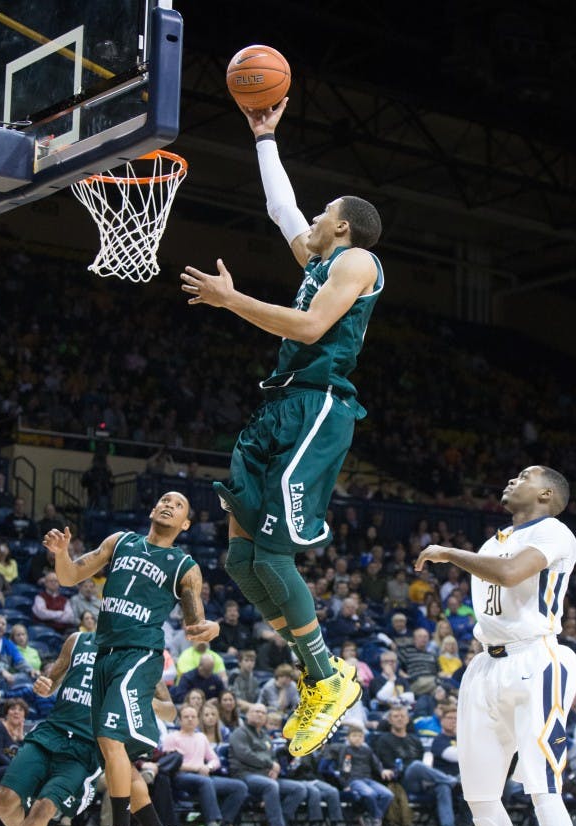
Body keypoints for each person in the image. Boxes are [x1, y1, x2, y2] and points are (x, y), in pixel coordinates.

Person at [180, 96, 383, 758]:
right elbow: (280, 211)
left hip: (317, 406)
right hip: (280, 403)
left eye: (326, 214)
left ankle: (329, 681)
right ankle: (318, 675)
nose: (315, 219)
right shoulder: (322, 260)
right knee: (240, 556)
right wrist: (264, 138)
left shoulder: (356, 264)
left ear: (345, 227)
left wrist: (230, 299)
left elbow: (308, 327)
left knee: (270, 554)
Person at [415, 465, 576, 826]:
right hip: (485, 668)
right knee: (479, 795)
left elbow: (515, 574)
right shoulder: (495, 538)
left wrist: (449, 554)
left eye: (523, 475)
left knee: (542, 787)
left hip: (538, 660)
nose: (511, 479)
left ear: (545, 492)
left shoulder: (555, 532)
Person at [42, 492, 220, 826]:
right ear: (151, 509)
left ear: (186, 524)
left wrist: (212, 629)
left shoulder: (184, 566)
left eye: (179, 505)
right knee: (112, 757)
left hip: (139, 655)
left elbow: (196, 628)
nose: (169, 504)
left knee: (109, 738)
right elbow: (71, 576)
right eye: (164, 500)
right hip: (104, 655)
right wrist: (61, 552)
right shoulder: (119, 542)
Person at [0, 629, 177, 826]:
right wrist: (46, 684)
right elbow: (52, 680)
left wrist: (136, 696)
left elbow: (170, 710)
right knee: (6, 800)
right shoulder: (78, 640)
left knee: (45, 807)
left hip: (86, 747)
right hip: (53, 731)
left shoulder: (139, 656)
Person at [159, 704, 247, 826]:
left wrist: (208, 767)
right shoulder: (171, 738)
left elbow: (215, 760)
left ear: (197, 720)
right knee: (205, 782)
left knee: (239, 787)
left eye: (193, 717)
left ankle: (219, 825)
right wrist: (196, 768)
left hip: (203, 776)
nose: (190, 719)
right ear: (180, 720)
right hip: (180, 777)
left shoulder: (201, 737)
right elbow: (169, 764)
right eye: (186, 717)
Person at [228, 703, 306, 826]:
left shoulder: (264, 736)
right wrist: (270, 764)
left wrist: (274, 769)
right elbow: (245, 754)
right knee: (271, 785)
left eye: (263, 713)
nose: (259, 714)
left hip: (265, 776)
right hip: (244, 775)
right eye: (256, 711)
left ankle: (273, 825)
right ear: (247, 715)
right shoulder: (239, 733)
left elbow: (273, 757)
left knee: (299, 789)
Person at [322, 723, 394, 826]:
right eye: (354, 736)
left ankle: (371, 817)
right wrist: (345, 785)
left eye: (360, 736)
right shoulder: (346, 751)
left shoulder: (367, 750)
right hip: (354, 780)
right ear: (348, 738)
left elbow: (376, 764)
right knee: (370, 794)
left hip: (368, 779)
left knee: (388, 794)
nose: (357, 738)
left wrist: (382, 771)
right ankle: (376, 821)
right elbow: (344, 770)